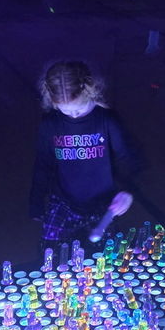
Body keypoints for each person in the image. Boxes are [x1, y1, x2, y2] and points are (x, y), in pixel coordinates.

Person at [29, 61, 138, 251]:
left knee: (108, 255)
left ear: (88, 91)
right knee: (49, 252)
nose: (73, 115)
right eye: (65, 110)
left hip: (103, 202)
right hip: (64, 200)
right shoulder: (50, 124)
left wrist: (127, 191)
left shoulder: (107, 119)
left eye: (78, 109)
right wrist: (36, 201)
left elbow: (127, 158)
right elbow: (43, 163)